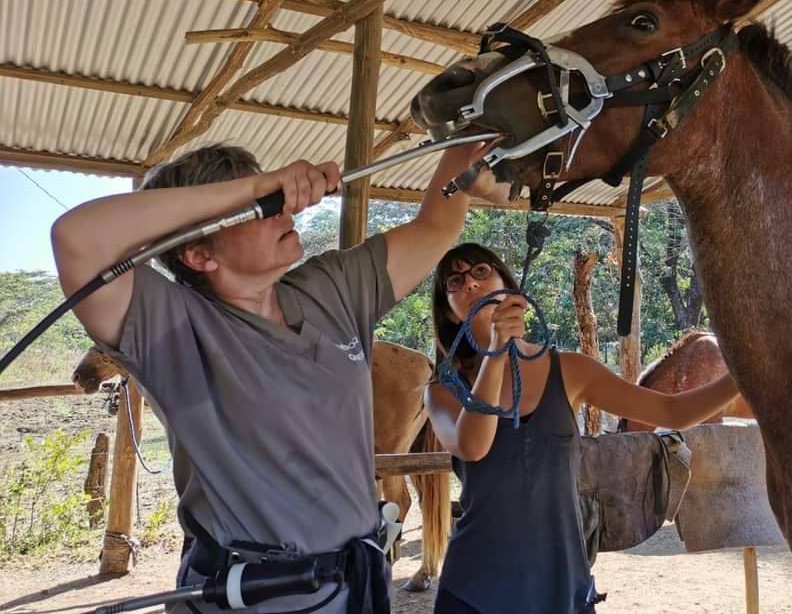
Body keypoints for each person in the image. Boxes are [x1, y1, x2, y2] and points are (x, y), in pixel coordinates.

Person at [51, 143, 507, 614]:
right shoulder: (170, 325)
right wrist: (254, 188)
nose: (282, 206)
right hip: (251, 595)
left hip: (355, 584)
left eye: (275, 194)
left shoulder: (332, 288)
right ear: (199, 254)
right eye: (259, 208)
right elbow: (77, 238)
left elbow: (437, 226)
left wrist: (464, 144)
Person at [425, 243, 742, 614]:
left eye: (481, 271)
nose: (471, 284)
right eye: (455, 281)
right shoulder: (441, 390)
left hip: (561, 586)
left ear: (507, 285)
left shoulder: (571, 370)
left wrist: (743, 375)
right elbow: (474, 446)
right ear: (449, 311)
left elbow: (671, 411)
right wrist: (496, 351)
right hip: (475, 591)